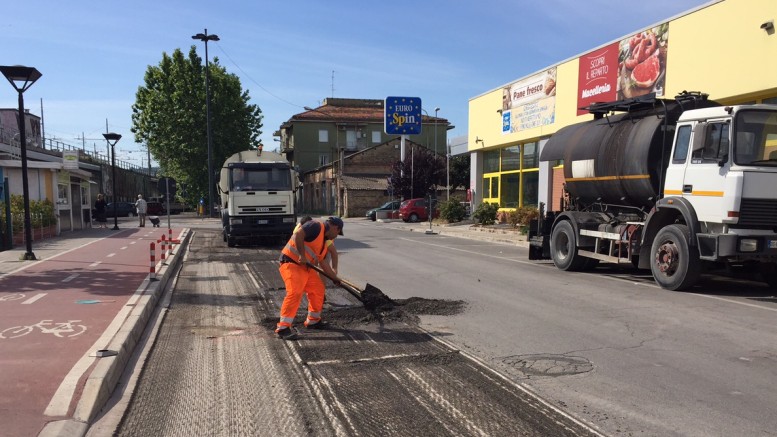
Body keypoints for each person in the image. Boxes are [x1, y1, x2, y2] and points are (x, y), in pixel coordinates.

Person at [276, 216, 344, 340]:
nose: (337, 235)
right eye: (338, 232)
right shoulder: (316, 226)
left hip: (305, 268)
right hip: (291, 262)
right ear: (334, 227)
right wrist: (302, 255)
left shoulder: (324, 241)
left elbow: (323, 263)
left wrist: (334, 278)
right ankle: (283, 328)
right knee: (295, 292)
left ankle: (313, 320)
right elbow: (298, 235)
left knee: (318, 289)